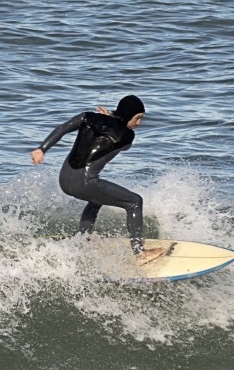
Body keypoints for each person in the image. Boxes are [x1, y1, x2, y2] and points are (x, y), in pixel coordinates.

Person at [30, 94, 166, 265]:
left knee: (97, 200)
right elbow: (118, 137)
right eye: (137, 118)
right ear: (128, 115)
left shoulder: (87, 117)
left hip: (64, 180)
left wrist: (41, 149)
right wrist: (113, 119)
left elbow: (63, 128)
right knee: (135, 202)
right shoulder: (127, 137)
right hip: (85, 183)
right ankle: (139, 253)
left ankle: (84, 241)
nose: (138, 123)